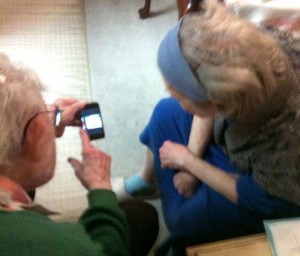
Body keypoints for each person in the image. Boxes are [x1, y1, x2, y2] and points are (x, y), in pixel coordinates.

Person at [112, 0, 300, 255]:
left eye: (180, 94)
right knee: (164, 111)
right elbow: (206, 87)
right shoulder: (249, 43)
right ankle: (146, 181)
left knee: (184, 218)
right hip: (237, 133)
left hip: (274, 191)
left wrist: (190, 163)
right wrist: (191, 157)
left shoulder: (285, 146)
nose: (174, 96)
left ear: (217, 101)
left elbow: (258, 197)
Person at [0, 53, 158, 256]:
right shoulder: (60, 246)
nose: (50, 117)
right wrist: (100, 188)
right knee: (142, 216)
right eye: (43, 114)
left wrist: (40, 119)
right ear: (32, 135)